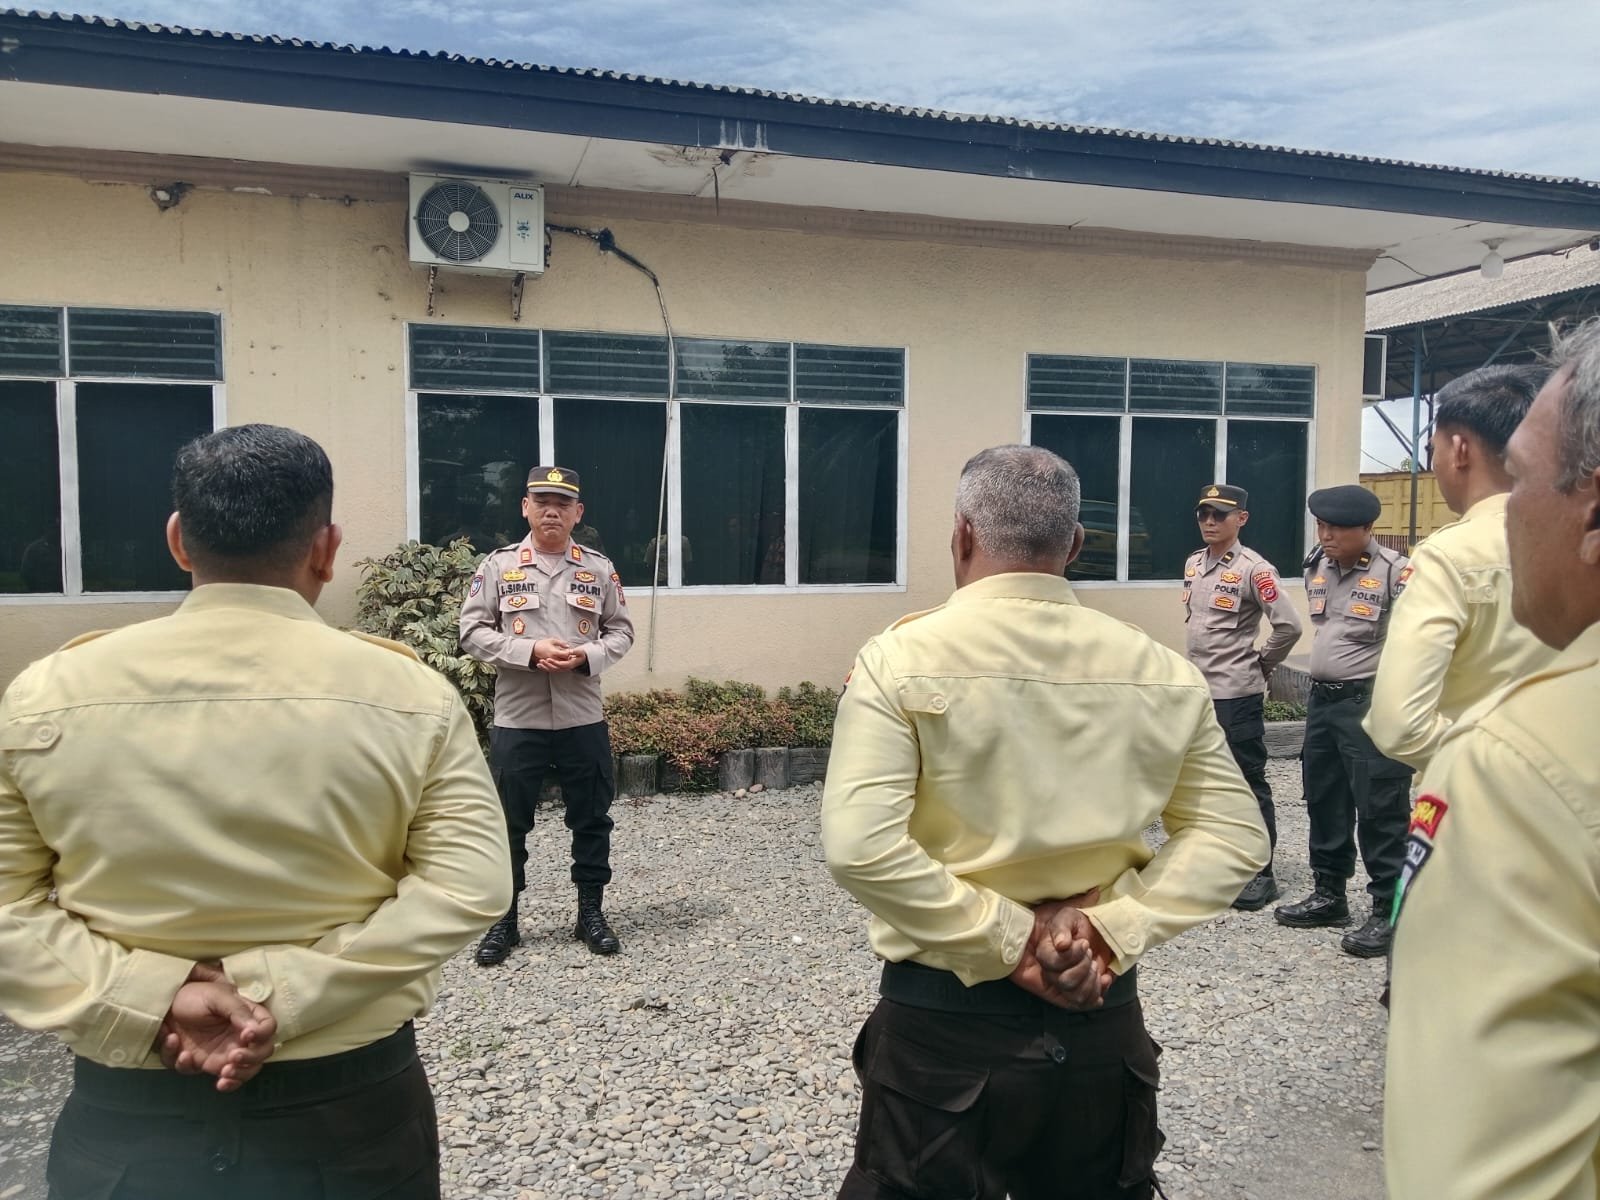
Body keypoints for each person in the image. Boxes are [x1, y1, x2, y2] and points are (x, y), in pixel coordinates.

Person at [0, 424, 511, 1199]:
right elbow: (470, 883)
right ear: (327, 549)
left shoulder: (48, 693)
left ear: (178, 540)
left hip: (129, 1116)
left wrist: (149, 996)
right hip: (351, 1115)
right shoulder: (411, 696)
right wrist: (279, 990)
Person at [821, 444, 1268, 1200]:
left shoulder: (900, 659)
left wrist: (1013, 939)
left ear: (962, 534)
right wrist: (1104, 929)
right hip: (1098, 1018)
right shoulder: (1161, 670)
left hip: (943, 1032)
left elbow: (862, 848)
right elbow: (1234, 836)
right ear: (1076, 545)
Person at [1385, 318, 1600, 1198]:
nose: (1512, 511)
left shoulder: (1516, 765)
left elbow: (1399, 719)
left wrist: (1474, 748)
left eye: (1527, 478)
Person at [460, 466, 635, 963]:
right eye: (542, 502)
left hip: (582, 715)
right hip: (519, 719)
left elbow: (621, 632)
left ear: (578, 513)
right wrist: (529, 651)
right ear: (525, 508)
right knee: (508, 824)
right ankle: (504, 920)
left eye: (562, 504)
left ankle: (590, 914)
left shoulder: (598, 569)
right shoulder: (498, 566)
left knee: (592, 819)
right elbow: (471, 632)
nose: (551, 511)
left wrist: (586, 656)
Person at [1364, 365, 1556, 774]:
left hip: (1480, 794)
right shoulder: (1579, 540)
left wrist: (1514, 769)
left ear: (1460, 449)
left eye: (1431, 449)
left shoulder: (1447, 556)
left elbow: (1400, 726)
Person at [1273, 485, 1412, 958]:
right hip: (1323, 704)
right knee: (1324, 798)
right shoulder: (1318, 565)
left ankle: (1388, 911)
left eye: (1337, 528)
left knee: (1380, 807)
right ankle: (1330, 895)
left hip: (1369, 704)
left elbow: (1415, 644)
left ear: (1367, 528)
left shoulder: (1395, 573)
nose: (1327, 536)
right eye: (1322, 526)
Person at [1183, 483, 1303, 910]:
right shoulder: (1194, 564)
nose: (1209, 521)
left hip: (1236, 694)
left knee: (1248, 781)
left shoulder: (1256, 570)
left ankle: (1260, 872)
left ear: (1241, 519)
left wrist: (1262, 663)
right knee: (1206, 782)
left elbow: (1289, 626)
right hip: (1199, 693)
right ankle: (1220, 862)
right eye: (1204, 514)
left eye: (1219, 514)